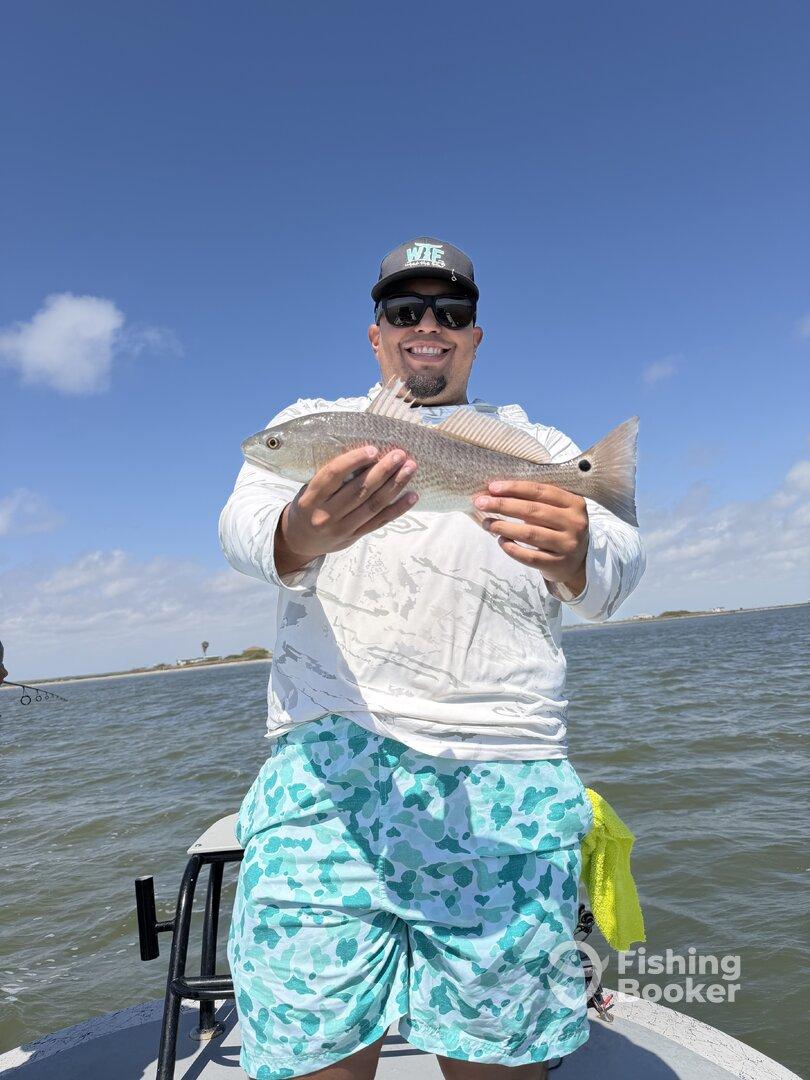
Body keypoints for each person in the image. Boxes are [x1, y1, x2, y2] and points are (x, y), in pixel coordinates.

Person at [219, 236, 646, 1080]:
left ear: (476, 337)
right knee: (311, 1048)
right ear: (375, 334)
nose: (428, 325)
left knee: (499, 1053)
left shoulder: (536, 442)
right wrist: (300, 531)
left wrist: (579, 547)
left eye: (452, 312)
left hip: (506, 771)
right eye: (403, 310)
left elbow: (619, 571)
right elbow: (243, 526)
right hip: (327, 772)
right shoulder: (315, 422)